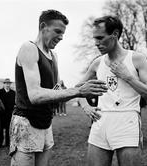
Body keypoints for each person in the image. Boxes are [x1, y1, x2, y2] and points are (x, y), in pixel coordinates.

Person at [10, 9, 108, 166]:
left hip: (46, 123)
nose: (61, 37)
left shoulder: (53, 55)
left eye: (63, 33)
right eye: (57, 31)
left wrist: (81, 102)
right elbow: (35, 95)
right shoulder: (29, 48)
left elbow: (58, 89)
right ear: (43, 26)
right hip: (26, 123)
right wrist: (79, 91)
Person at [78, 16, 147, 166]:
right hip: (100, 122)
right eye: (95, 38)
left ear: (115, 34)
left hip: (127, 121)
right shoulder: (97, 62)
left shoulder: (136, 59)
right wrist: (86, 106)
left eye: (100, 38)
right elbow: (77, 89)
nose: (96, 43)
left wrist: (128, 77)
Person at [0, 78, 15, 148]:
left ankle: (8, 144)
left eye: (9, 84)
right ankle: (0, 144)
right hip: (1, 114)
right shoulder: (0, 92)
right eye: (6, 83)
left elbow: (14, 103)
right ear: (4, 84)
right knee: (0, 130)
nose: (7, 85)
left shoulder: (13, 93)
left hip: (9, 114)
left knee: (8, 130)